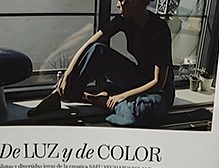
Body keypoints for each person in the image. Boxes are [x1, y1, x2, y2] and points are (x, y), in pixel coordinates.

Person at [29, 0, 175, 127]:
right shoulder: (125, 20)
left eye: (121, 0)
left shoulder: (159, 30)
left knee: (141, 111)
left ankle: (102, 100)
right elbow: (90, 44)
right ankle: (59, 95)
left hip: (158, 92)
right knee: (98, 50)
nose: (117, 5)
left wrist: (123, 96)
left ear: (134, 1)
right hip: (136, 79)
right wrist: (67, 74)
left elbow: (158, 83)